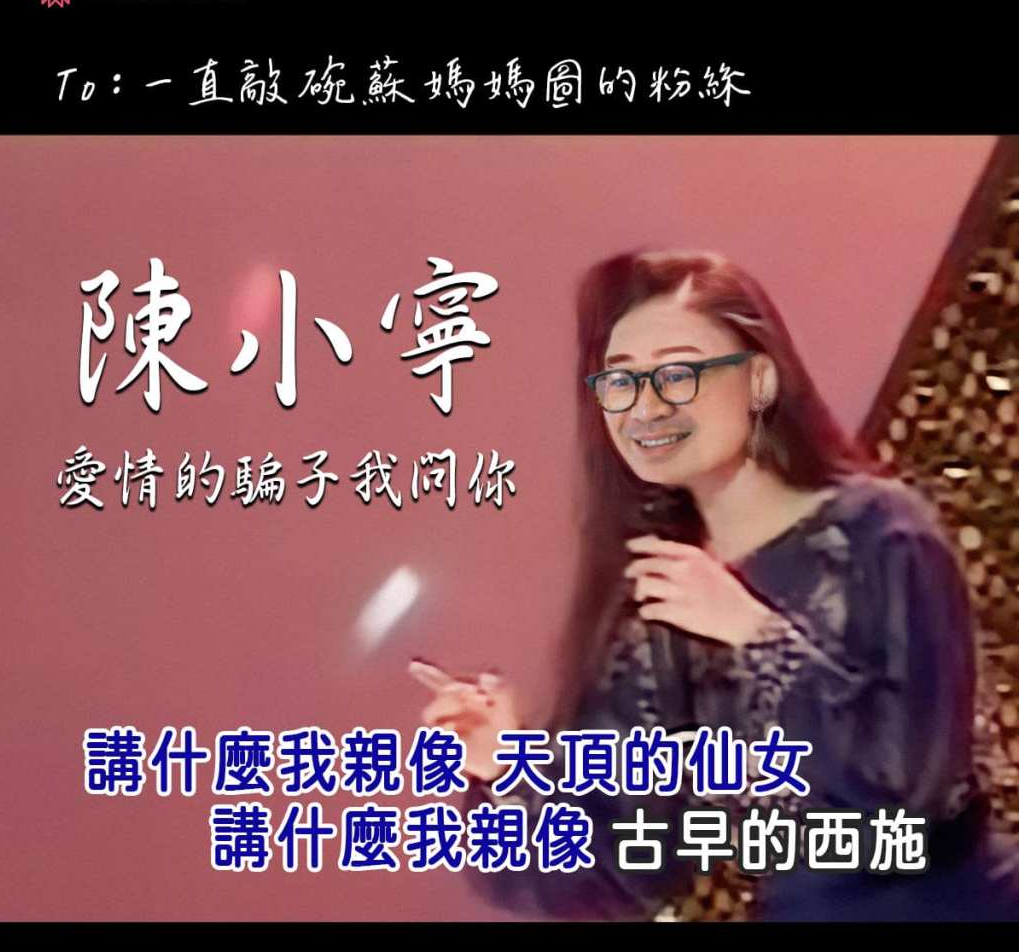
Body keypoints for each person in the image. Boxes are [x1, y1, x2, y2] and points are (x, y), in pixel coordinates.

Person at [411, 249, 1019, 922]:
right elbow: (632, 862)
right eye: (620, 382)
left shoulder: (880, 533)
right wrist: (506, 766)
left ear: (759, 378)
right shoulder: (659, 595)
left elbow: (909, 782)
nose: (645, 407)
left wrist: (754, 634)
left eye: (676, 374)